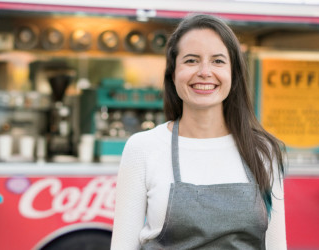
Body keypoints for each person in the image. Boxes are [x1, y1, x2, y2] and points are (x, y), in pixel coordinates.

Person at [111, 14, 286, 249]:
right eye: (192, 60)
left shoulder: (263, 151)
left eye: (218, 61)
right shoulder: (143, 148)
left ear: (234, 75)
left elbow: (276, 245)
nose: (205, 72)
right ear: (173, 74)